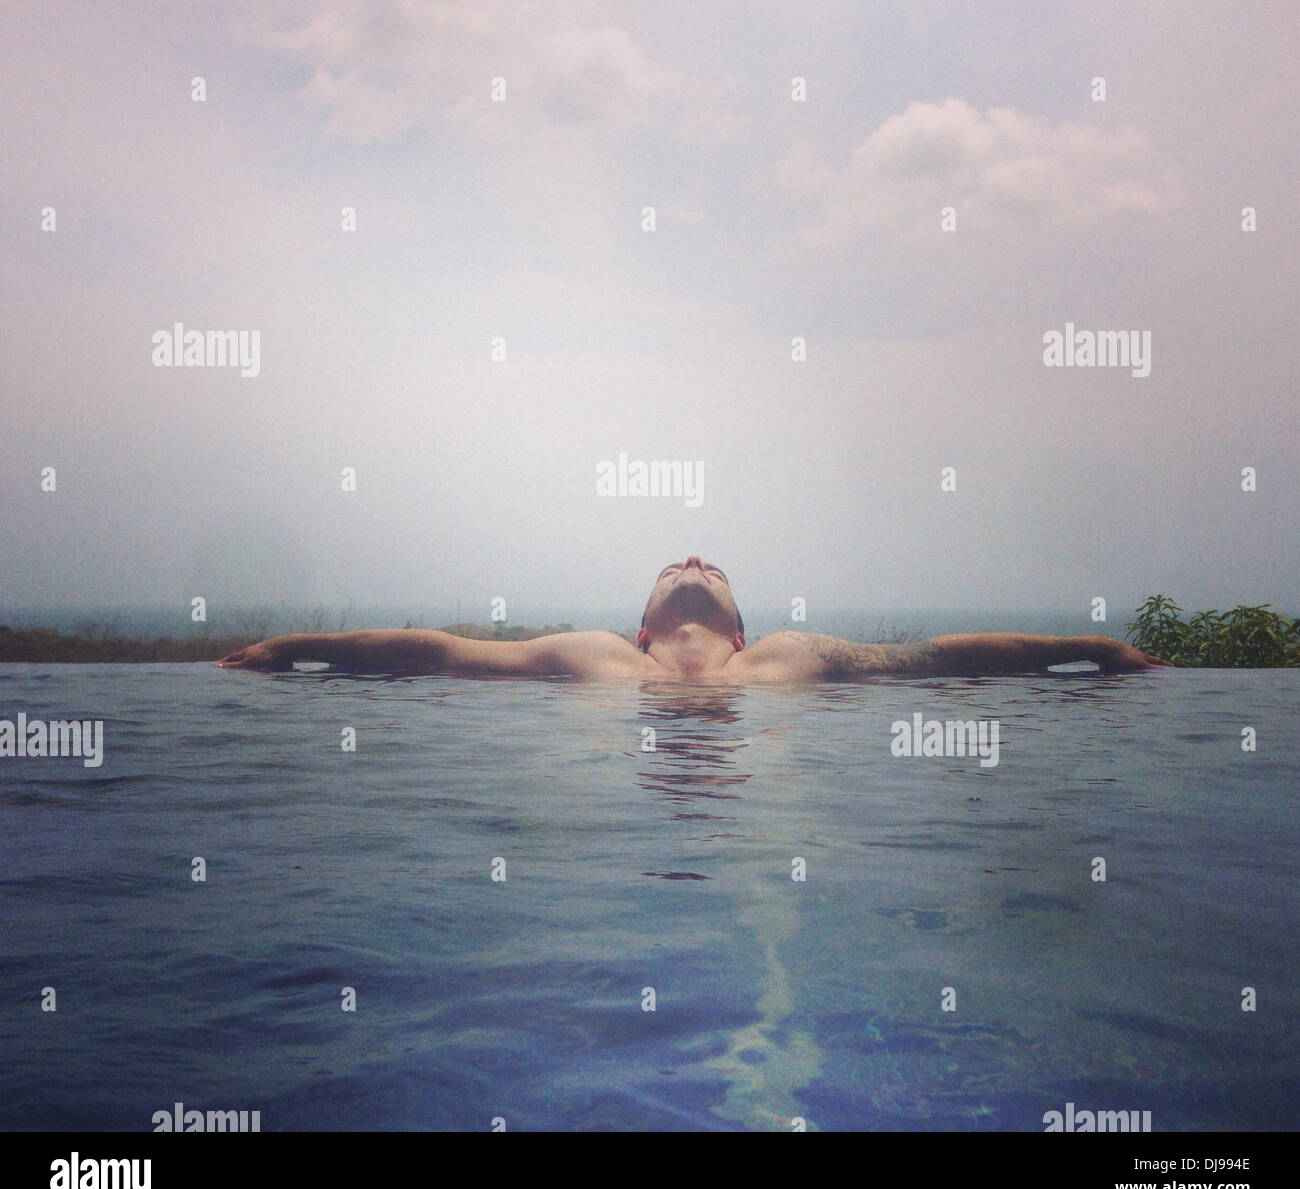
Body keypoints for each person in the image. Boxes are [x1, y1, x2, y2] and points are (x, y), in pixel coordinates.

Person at [217, 555, 1171, 681]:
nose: (693, 562)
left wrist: (1092, 652)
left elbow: (939, 661)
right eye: (677, 568)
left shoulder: (793, 655)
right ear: (642, 625)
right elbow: (436, 652)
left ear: (741, 628)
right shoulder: (590, 653)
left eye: (710, 568)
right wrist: (290, 647)